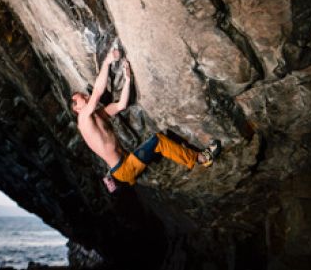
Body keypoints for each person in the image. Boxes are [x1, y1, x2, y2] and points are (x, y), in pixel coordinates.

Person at [71, 46, 221, 187]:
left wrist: (127, 80)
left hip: (126, 163)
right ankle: (202, 158)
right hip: (124, 170)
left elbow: (120, 105)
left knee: (160, 141)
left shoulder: (99, 115)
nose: (85, 96)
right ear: (77, 109)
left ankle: (194, 157)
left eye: (84, 94)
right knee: (158, 141)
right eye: (80, 98)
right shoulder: (83, 120)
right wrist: (107, 61)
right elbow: (97, 92)